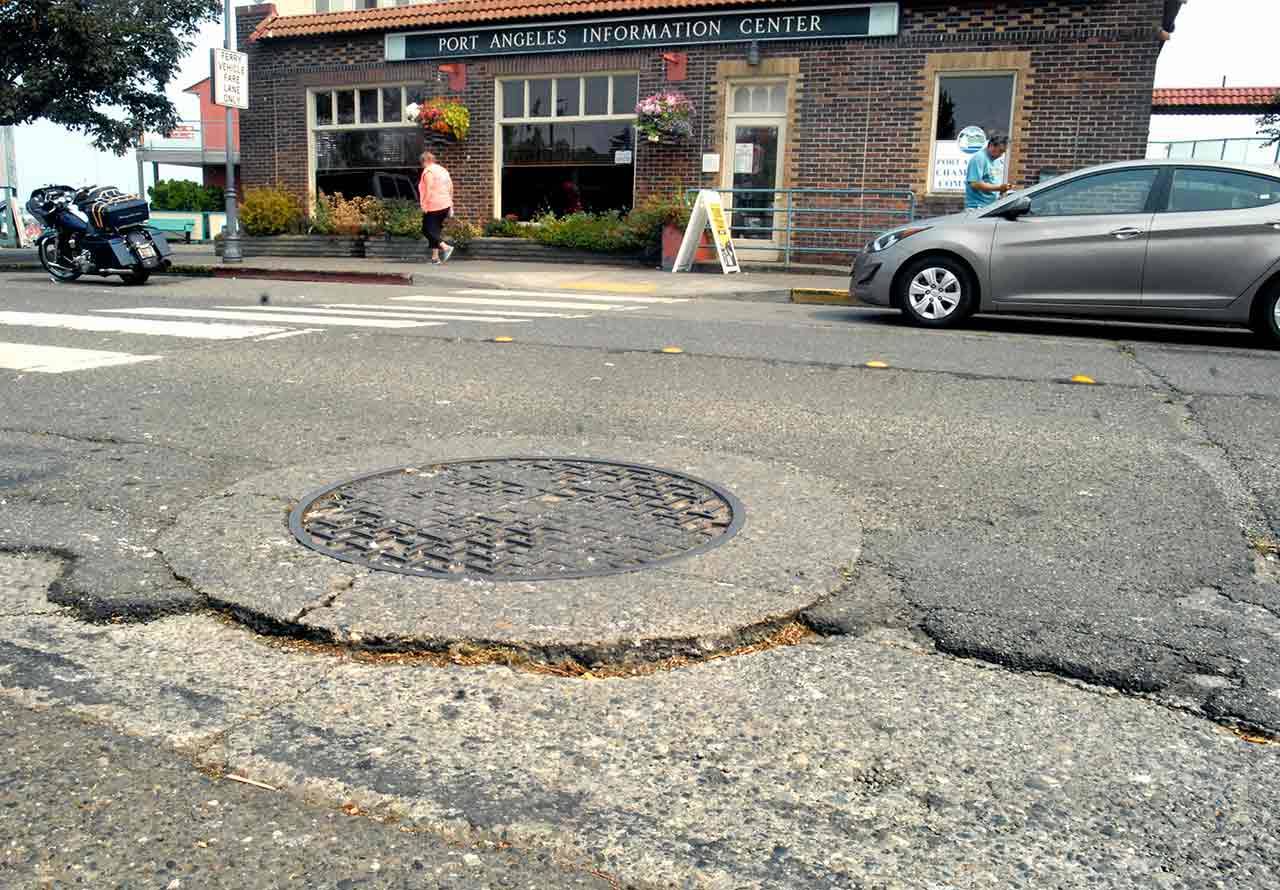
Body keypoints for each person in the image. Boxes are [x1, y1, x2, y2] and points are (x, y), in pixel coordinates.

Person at [418, 150, 454, 264]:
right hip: (445, 204)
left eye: (422, 163)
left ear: (424, 161)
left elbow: (429, 189)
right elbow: (451, 187)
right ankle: (435, 258)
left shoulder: (428, 171)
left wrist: (424, 204)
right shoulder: (443, 170)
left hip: (434, 205)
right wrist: (451, 204)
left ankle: (446, 247)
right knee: (435, 230)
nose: (422, 165)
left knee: (426, 229)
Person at [964, 133, 1013, 210]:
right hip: (977, 208)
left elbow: (992, 182)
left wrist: (1002, 190)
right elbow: (975, 183)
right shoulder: (979, 158)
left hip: (989, 207)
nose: (1001, 155)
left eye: (1003, 152)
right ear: (991, 146)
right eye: (1000, 151)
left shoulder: (996, 160)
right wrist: (999, 188)